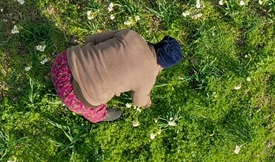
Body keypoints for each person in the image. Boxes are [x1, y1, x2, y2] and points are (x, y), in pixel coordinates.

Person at [50, 30, 183, 123]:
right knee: (95, 112)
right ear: (163, 66)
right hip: (72, 97)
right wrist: (146, 102)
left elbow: (92, 39)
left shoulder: (131, 35)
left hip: (62, 64)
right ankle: (103, 115)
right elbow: (138, 101)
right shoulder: (149, 77)